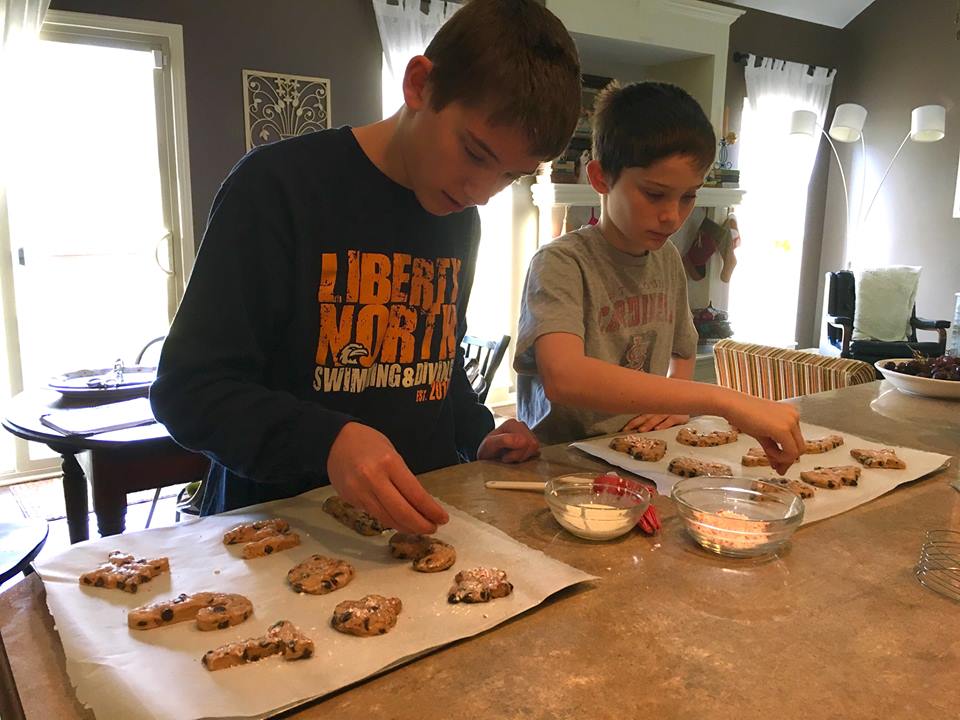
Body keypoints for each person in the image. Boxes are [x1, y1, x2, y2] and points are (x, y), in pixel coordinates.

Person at [150, 0, 582, 533]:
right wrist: (328, 439)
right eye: (474, 153)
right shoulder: (276, 188)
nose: (482, 194)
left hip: (416, 530)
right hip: (279, 535)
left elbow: (433, 365)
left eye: (510, 176)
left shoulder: (457, 214)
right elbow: (188, 391)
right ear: (420, 84)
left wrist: (477, 432)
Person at [514, 81, 803, 472]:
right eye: (654, 194)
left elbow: (683, 349)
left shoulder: (666, 258)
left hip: (642, 455)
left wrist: (672, 410)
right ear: (600, 178)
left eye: (688, 196)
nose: (672, 215)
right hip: (563, 462)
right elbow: (565, 377)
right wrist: (721, 399)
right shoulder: (561, 263)